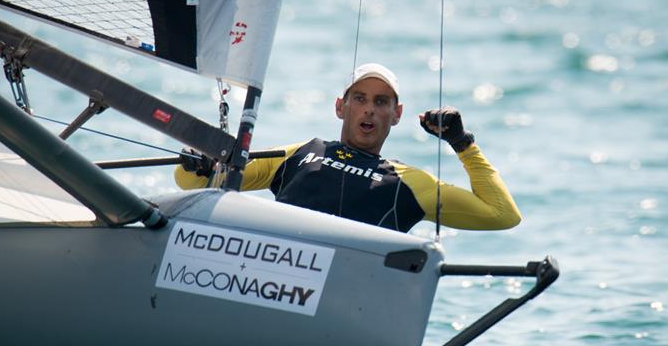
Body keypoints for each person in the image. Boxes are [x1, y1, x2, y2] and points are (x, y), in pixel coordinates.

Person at [175, 63, 521, 233]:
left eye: (381, 101)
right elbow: (193, 183)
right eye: (360, 99)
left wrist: (462, 144)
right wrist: (201, 164)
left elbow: (502, 215)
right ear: (341, 107)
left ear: (396, 114)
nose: (369, 109)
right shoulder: (300, 153)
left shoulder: (412, 183)